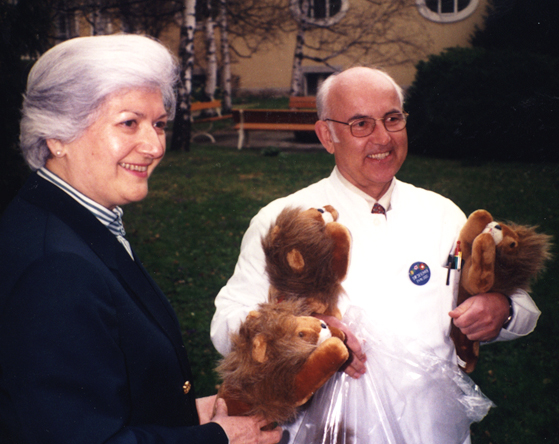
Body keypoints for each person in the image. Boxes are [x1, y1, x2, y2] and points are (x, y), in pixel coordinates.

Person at [210, 67, 541, 443]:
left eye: (392, 119)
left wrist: (502, 309)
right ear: (326, 135)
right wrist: (306, 333)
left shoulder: (442, 212)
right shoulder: (283, 221)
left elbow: (523, 307)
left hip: (433, 428)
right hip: (332, 431)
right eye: (360, 124)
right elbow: (227, 324)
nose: (382, 137)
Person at [0, 34, 282, 444]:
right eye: (129, 122)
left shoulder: (67, 222)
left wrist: (184, 413)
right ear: (57, 135)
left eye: (159, 124)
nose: (153, 146)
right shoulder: (56, 266)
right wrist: (221, 439)